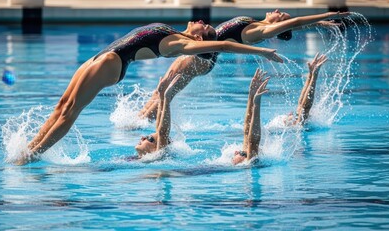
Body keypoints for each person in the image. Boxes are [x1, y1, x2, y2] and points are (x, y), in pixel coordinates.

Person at [15, 21, 283, 165]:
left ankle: (32, 156)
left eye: (205, 28)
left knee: (70, 113)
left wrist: (262, 51)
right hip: (104, 55)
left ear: (200, 39)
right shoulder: (176, 32)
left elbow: (224, 44)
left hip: (112, 63)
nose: (202, 22)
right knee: (62, 105)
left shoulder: (180, 43)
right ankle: (31, 148)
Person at [139, 11, 349, 120]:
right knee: (163, 87)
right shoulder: (258, 24)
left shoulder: (259, 32)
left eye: (282, 15)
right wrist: (318, 24)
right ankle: (141, 117)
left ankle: (145, 121)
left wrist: (327, 15)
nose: (277, 11)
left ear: (278, 25)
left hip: (203, 59)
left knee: (168, 91)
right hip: (202, 54)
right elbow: (296, 24)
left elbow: (294, 23)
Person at [232, 54, 327, 165]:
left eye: (241, 153)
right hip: (276, 128)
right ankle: (313, 74)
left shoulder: (249, 159)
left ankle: (312, 74)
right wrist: (254, 100)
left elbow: (249, 132)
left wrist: (252, 97)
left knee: (302, 116)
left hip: (274, 127)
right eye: (242, 153)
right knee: (302, 116)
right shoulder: (251, 159)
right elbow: (252, 139)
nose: (236, 152)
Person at [135, 74, 183, 157]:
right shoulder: (135, 160)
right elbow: (159, 131)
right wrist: (161, 96)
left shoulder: (158, 157)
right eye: (149, 138)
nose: (142, 137)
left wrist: (166, 100)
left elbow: (162, 133)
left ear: (155, 149)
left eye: (150, 139)